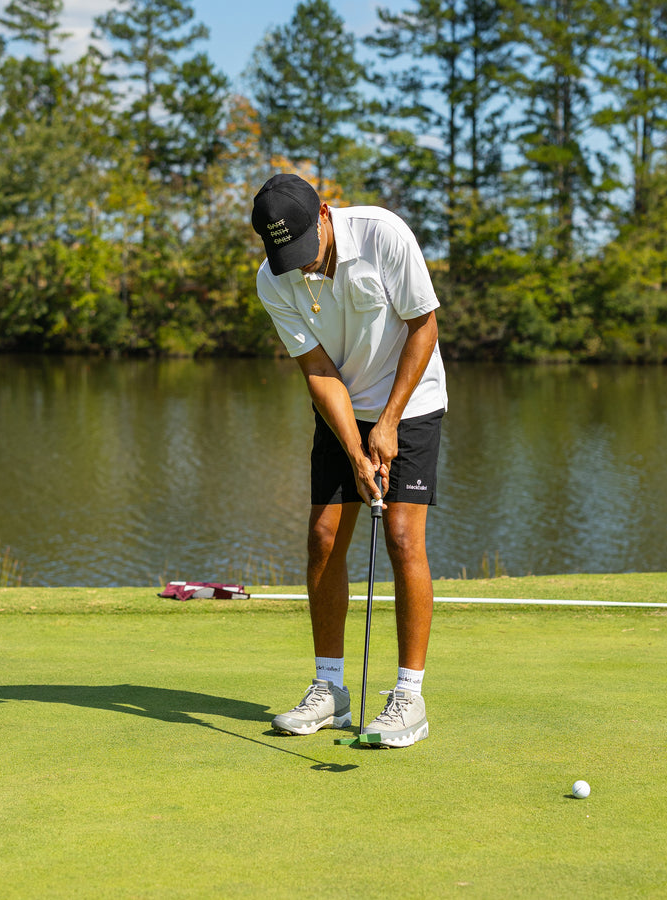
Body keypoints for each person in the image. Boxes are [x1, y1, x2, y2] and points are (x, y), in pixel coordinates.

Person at [251, 173, 447, 748]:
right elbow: (317, 369)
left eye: (307, 251)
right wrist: (356, 447)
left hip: (410, 399)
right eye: (288, 257)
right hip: (342, 405)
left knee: (405, 538)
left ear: (326, 216)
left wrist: (387, 424)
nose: (302, 267)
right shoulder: (274, 279)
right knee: (323, 537)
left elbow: (424, 326)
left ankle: (408, 696)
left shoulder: (384, 234)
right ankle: (330, 690)